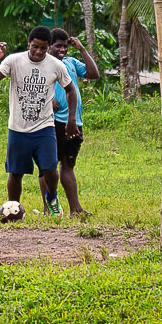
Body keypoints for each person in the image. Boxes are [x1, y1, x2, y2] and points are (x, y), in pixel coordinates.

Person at [0, 26, 78, 214]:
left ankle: (51, 197)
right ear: (29, 43)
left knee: (50, 169)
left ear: (48, 47)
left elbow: (70, 89)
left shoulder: (56, 65)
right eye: (35, 46)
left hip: (44, 127)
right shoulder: (14, 61)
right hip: (18, 128)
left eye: (43, 48)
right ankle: (13, 208)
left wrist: (71, 119)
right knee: (16, 172)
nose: (38, 52)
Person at [41, 27, 100, 217]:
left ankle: (76, 209)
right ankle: (48, 208)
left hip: (74, 121)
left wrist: (81, 49)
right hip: (52, 122)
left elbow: (93, 74)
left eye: (65, 46)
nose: (62, 50)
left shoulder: (71, 62)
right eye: (58, 46)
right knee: (48, 167)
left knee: (68, 165)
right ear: (49, 46)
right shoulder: (42, 64)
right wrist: (47, 99)